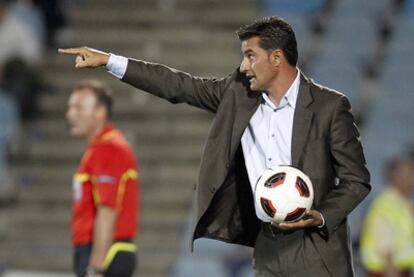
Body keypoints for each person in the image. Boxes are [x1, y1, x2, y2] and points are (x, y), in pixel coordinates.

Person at [59, 16, 371, 277]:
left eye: (250, 56)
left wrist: (320, 216)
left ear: (276, 58)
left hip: (318, 249)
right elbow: (177, 85)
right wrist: (109, 61)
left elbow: (357, 181)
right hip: (268, 247)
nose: (243, 66)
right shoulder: (237, 94)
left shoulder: (330, 107)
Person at [66, 80, 139, 277]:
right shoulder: (100, 148)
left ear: (100, 111)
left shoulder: (109, 149)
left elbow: (107, 211)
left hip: (107, 254)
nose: (70, 114)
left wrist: (95, 268)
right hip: (103, 251)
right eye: (70, 107)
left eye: (78, 107)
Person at [360, 158, 414, 277]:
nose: (411, 181)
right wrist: (392, 272)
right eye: (409, 175)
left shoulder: (402, 203)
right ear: (395, 178)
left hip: (400, 269)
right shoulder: (385, 205)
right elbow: (385, 247)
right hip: (387, 271)